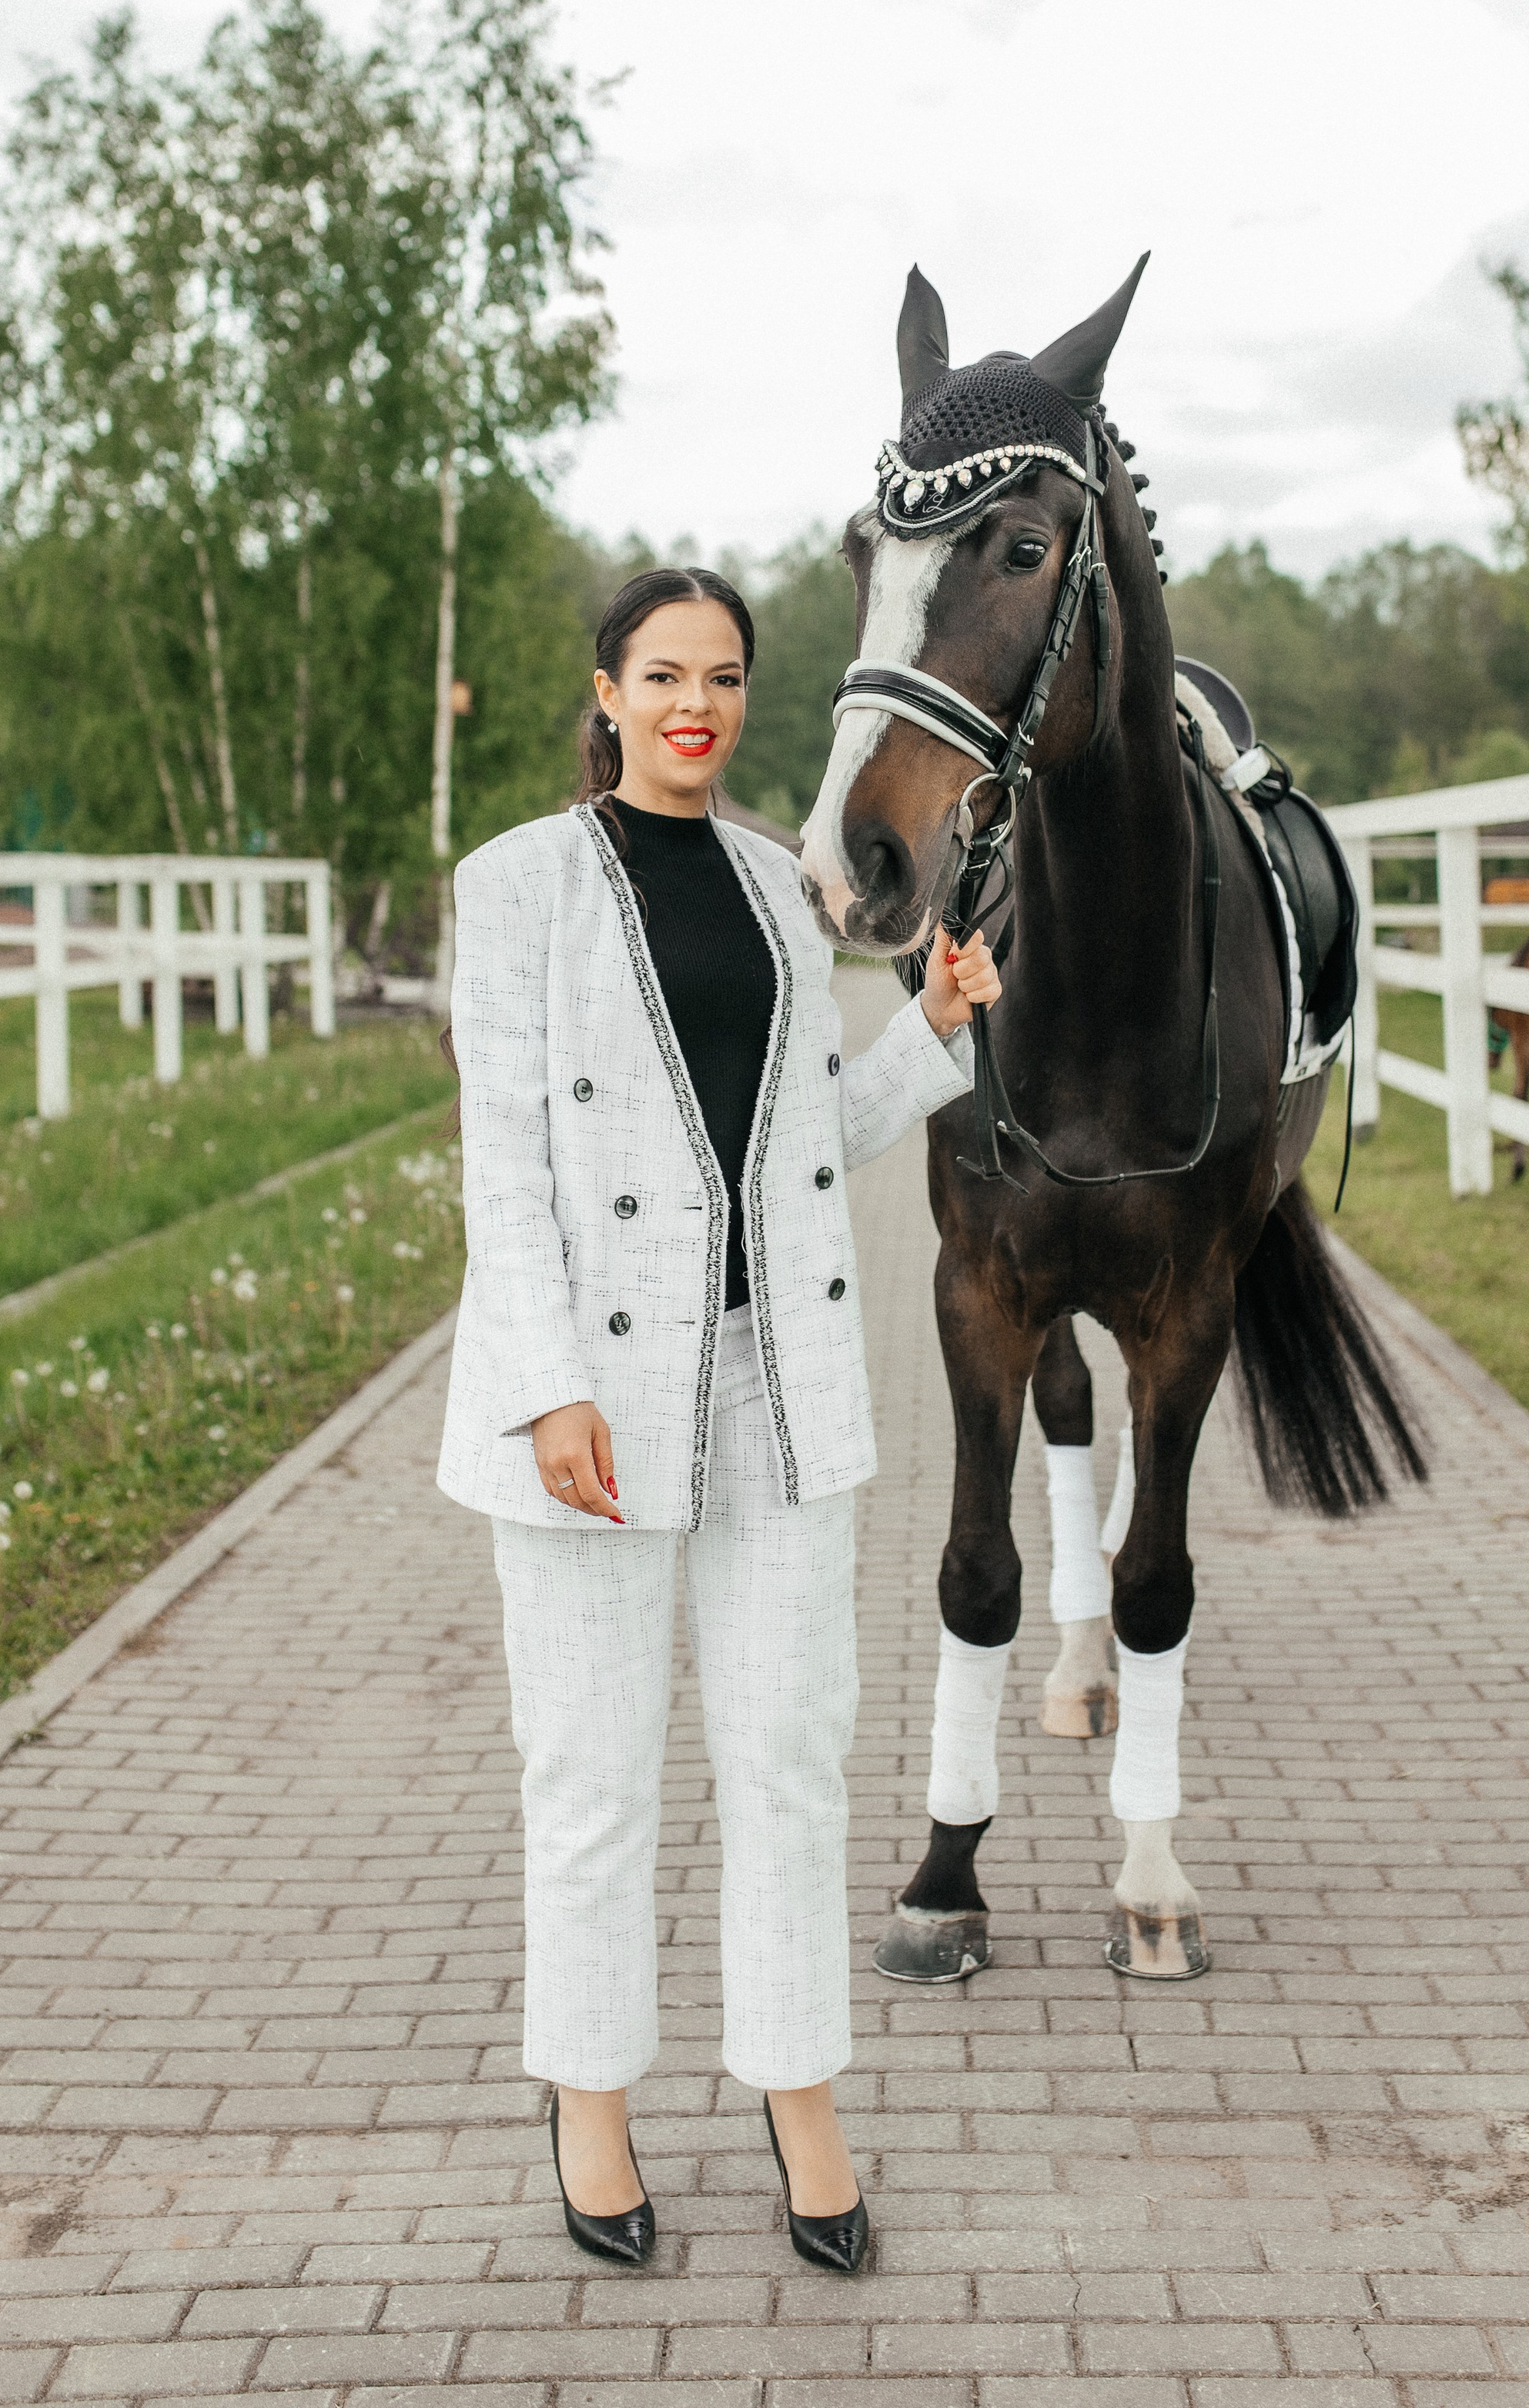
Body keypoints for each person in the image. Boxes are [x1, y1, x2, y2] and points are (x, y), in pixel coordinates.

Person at [439, 563, 999, 2275]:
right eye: (663, 674)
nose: (698, 703)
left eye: (726, 676)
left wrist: (927, 1028)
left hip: (774, 1387)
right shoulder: (517, 883)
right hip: (590, 1405)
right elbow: (509, 1156)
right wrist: (542, 1386)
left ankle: (796, 2093)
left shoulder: (775, 881)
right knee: (592, 1779)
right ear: (604, 692)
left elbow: (802, 1135)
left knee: (788, 1764)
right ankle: (590, 2101)